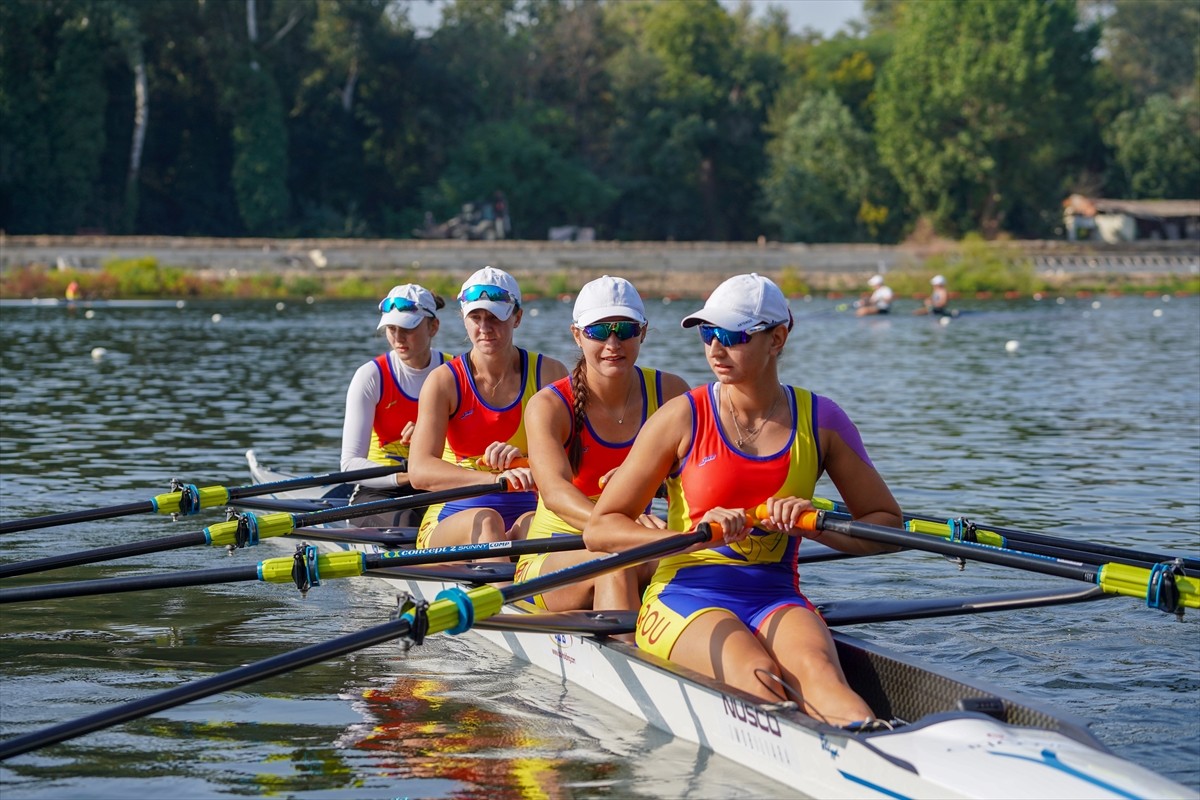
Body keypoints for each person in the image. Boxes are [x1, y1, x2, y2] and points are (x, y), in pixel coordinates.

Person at [585, 273, 903, 728]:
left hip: (776, 593)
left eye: (733, 335)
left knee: (825, 680)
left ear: (778, 338)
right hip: (685, 594)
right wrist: (690, 537)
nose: (715, 348)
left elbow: (886, 526)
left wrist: (815, 524)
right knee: (760, 679)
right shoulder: (682, 417)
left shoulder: (822, 420)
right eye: (707, 333)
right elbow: (600, 528)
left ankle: (880, 750)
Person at [517, 276, 690, 621]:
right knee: (615, 564)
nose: (613, 343)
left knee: (704, 565)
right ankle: (637, 657)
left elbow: (694, 481)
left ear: (642, 332)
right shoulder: (549, 406)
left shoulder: (671, 392)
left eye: (624, 330)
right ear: (577, 335)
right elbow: (554, 492)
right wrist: (621, 527)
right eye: (599, 331)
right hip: (556, 551)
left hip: (639, 540)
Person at [408, 266, 568, 552]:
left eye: (495, 317)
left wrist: (525, 461)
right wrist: (494, 479)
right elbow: (420, 471)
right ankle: (500, 591)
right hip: (456, 513)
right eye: (476, 317)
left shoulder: (549, 374)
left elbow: (574, 459)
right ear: (464, 320)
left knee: (534, 525)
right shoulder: (443, 381)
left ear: (517, 317)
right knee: (489, 524)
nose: (484, 327)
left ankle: (517, 587)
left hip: (530, 508)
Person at [339, 284, 449, 528]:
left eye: (408, 328)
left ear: (433, 326)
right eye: (391, 328)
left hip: (439, 484)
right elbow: (349, 464)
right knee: (409, 521)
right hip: (379, 490)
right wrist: (409, 476)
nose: (398, 338)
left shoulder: (454, 372)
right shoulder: (371, 376)